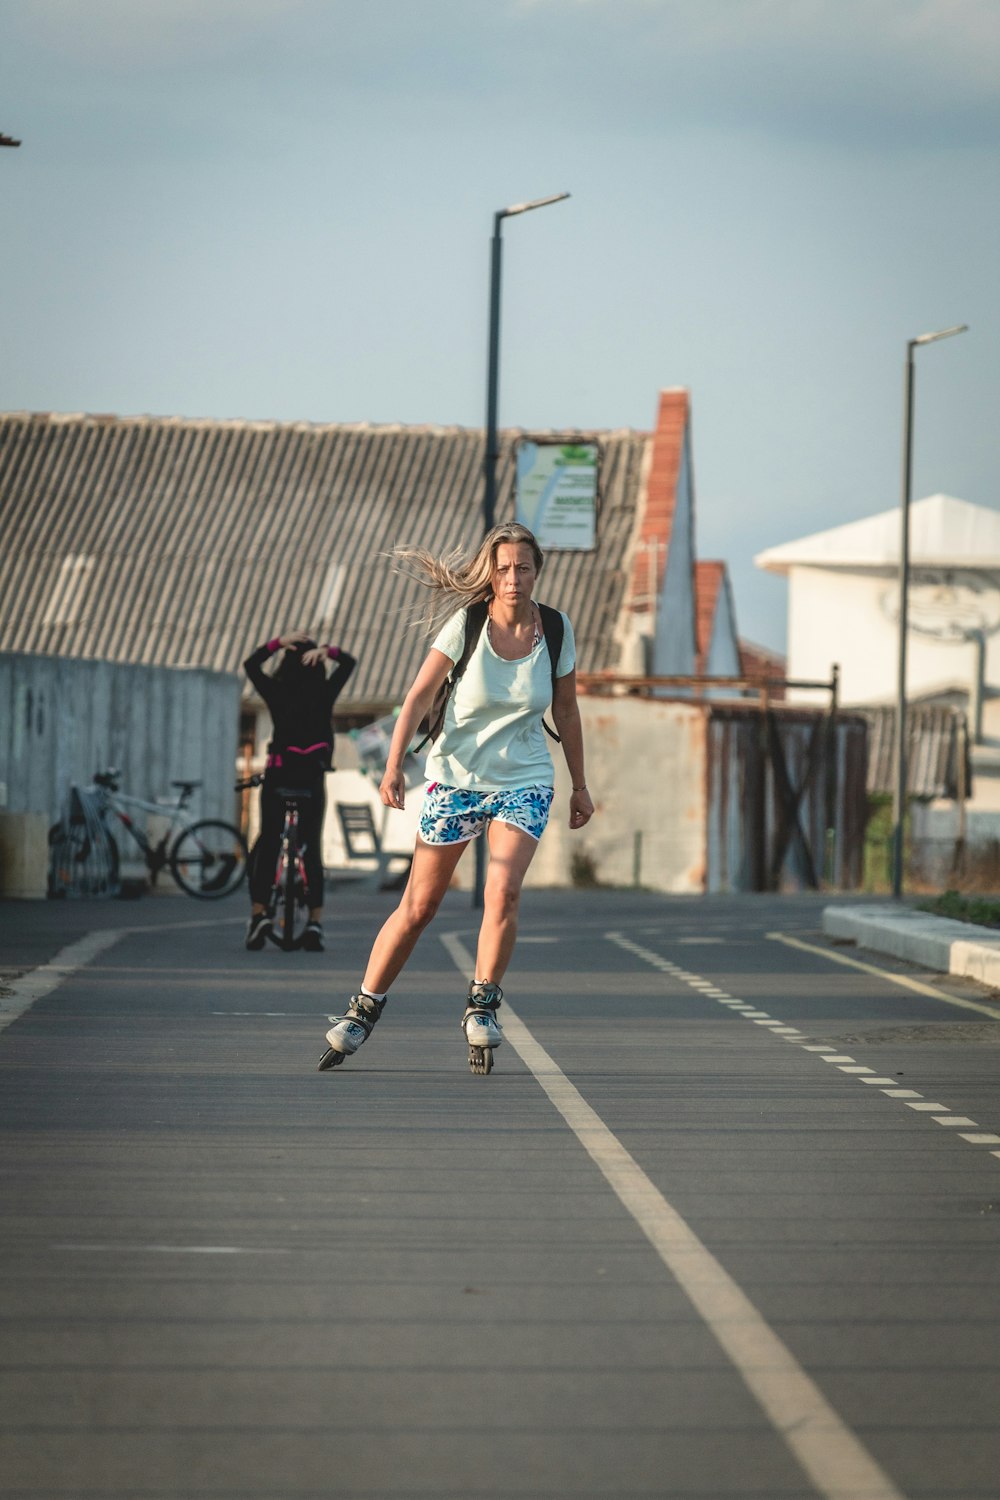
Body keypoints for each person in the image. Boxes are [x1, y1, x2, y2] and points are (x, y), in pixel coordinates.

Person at [321, 521, 594, 1066]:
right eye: (503, 568)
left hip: (525, 780)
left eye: (523, 567)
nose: (513, 577)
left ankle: (482, 1005)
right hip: (456, 779)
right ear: (489, 573)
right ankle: (363, 1007)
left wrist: (580, 786)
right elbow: (420, 693)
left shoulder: (557, 631)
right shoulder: (467, 623)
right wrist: (395, 764)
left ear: (537, 571)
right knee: (420, 906)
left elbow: (565, 709)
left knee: (504, 892)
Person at [243, 631, 356, 951]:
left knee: (268, 842)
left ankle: (259, 914)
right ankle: (315, 923)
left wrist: (277, 643)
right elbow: (349, 662)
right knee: (310, 848)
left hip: (279, 776)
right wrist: (328, 651)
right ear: (316, 664)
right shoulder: (324, 690)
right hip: (311, 780)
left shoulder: (277, 690)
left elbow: (251, 665)